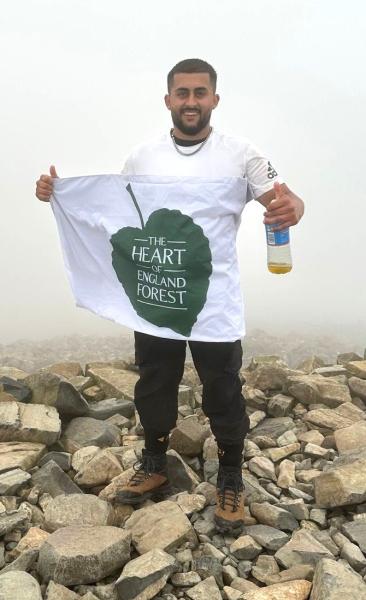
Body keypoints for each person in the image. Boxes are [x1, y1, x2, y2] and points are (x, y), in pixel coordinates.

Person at [36, 58, 304, 533]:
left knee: (223, 389)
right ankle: (155, 463)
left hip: (213, 302)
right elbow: (114, 209)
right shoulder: (143, 157)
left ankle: (231, 478)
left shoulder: (242, 154)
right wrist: (57, 193)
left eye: (200, 93)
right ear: (168, 100)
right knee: (154, 382)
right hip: (156, 297)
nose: (191, 102)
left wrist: (292, 207)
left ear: (214, 100)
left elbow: (284, 198)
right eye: (182, 94)